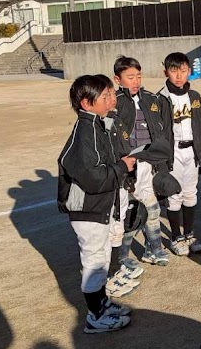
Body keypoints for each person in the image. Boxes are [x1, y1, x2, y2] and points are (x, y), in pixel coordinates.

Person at [57, 74, 135, 333]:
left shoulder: (97, 124)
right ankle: (95, 316)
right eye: (105, 96)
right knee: (93, 260)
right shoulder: (86, 130)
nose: (112, 99)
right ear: (86, 103)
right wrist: (121, 167)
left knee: (101, 258)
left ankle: (102, 303)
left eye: (111, 93)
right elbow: (92, 176)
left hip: (98, 206)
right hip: (87, 209)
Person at [114, 56, 173, 267]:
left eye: (138, 76)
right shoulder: (114, 102)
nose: (136, 81)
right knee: (129, 214)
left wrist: (163, 160)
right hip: (127, 167)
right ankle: (121, 257)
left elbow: (162, 130)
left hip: (149, 163)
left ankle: (153, 250)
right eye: (130, 77)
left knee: (152, 209)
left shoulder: (150, 99)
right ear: (117, 79)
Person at [157, 52, 201, 256]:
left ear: (189, 71)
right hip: (173, 151)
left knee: (190, 193)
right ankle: (176, 236)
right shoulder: (161, 98)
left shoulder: (194, 96)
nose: (179, 76)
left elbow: (199, 126)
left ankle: (189, 234)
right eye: (174, 71)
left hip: (191, 151)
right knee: (174, 194)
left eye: (183, 71)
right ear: (165, 72)